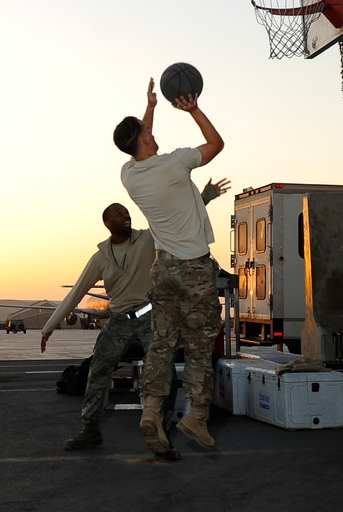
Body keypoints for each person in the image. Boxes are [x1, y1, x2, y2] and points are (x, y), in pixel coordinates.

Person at [41, 182, 228, 459]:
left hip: (151, 315)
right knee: (98, 370)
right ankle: (90, 429)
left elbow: (179, 219)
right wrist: (48, 327)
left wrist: (205, 197)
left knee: (161, 371)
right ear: (107, 223)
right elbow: (76, 292)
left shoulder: (148, 238)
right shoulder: (100, 258)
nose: (125, 215)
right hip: (118, 321)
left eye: (127, 211)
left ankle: (162, 437)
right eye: (118, 213)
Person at [113, 78, 224, 453]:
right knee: (199, 345)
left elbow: (139, 141)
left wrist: (151, 108)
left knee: (161, 343)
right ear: (144, 139)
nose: (151, 131)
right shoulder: (176, 163)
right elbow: (215, 145)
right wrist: (193, 110)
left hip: (163, 271)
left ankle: (152, 411)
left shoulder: (129, 175)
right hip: (194, 270)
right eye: (147, 130)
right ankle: (196, 415)